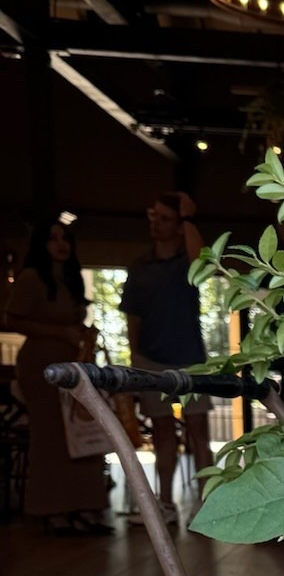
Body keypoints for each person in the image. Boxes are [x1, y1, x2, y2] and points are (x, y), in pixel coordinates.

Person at [2, 218, 111, 534]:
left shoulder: (71, 279)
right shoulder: (31, 278)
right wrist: (58, 332)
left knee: (81, 433)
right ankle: (52, 509)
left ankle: (86, 506)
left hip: (73, 366)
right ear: (41, 245)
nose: (61, 244)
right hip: (41, 366)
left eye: (65, 238)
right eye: (52, 239)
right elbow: (12, 319)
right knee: (50, 436)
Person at [120, 191, 209, 525]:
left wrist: (187, 217)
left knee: (198, 430)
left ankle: (206, 504)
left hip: (191, 359)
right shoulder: (140, 267)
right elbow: (133, 319)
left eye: (165, 218)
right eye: (153, 216)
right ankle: (166, 503)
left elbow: (201, 257)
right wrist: (135, 360)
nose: (156, 223)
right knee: (162, 433)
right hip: (151, 360)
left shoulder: (187, 262)